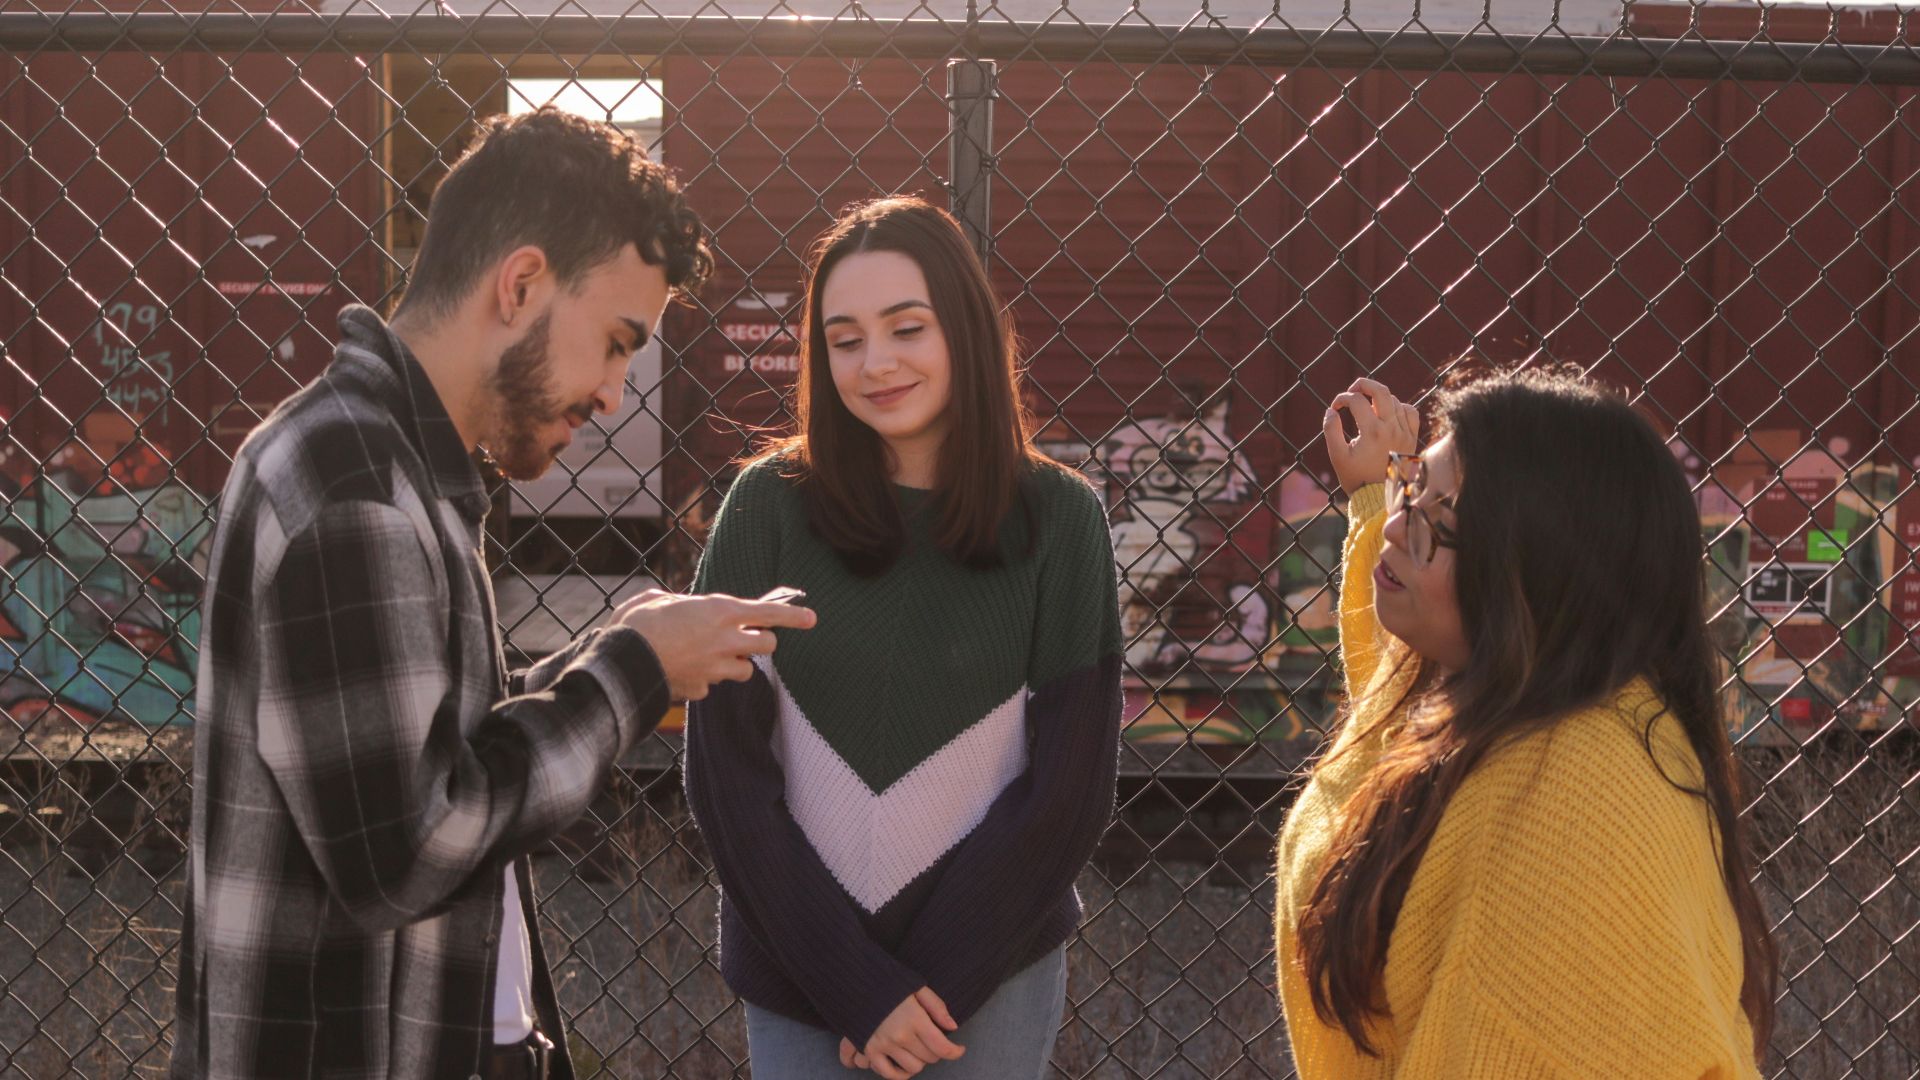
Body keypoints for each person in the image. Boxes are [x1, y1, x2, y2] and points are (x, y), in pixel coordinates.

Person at [169, 108, 815, 1080]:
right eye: (614, 341)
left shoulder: (404, 470)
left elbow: (436, 738)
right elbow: (415, 846)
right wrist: (634, 674)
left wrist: (618, 642)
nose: (612, 392)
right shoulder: (354, 484)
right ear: (519, 285)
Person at [681, 196, 1123, 1080]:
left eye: (906, 328)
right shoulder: (765, 506)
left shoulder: (1062, 519)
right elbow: (727, 778)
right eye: (844, 340)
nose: (875, 363)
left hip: (989, 986)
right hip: (803, 980)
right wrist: (857, 988)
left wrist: (925, 994)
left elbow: (1069, 789)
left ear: (963, 327)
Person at [1273, 369, 1779, 1077]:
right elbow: (1385, 719)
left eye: (1437, 521)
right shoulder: (1493, 696)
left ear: (1538, 574)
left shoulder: (1570, 809)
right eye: (1411, 485)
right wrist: (1373, 498)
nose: (1397, 521)